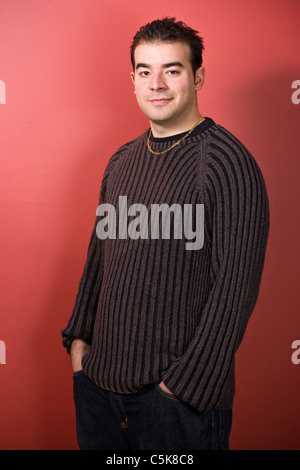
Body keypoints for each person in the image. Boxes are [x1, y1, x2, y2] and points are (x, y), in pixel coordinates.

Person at [61, 17, 269, 450]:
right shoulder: (121, 162)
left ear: (198, 77)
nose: (157, 83)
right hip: (99, 391)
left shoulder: (227, 163)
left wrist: (183, 386)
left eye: (172, 70)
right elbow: (99, 259)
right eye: (145, 71)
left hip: (175, 404)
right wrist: (80, 344)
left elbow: (236, 288)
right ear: (133, 79)